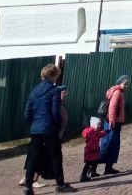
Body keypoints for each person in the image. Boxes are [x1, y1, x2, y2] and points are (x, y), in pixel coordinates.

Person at [22, 62, 73, 194]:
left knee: (33, 157)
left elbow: (27, 113)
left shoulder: (34, 92)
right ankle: (60, 184)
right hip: (49, 128)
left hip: (36, 129)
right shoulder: (54, 91)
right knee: (56, 156)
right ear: (53, 76)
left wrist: (33, 125)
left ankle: (28, 186)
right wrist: (57, 125)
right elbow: (55, 111)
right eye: (57, 75)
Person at [100, 75, 130, 175]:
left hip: (114, 122)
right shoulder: (117, 92)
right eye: (125, 84)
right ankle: (95, 166)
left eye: (127, 84)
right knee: (109, 144)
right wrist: (112, 121)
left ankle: (108, 167)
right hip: (113, 123)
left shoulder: (118, 92)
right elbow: (112, 107)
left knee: (111, 144)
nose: (126, 86)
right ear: (120, 82)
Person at [80, 117, 107, 183]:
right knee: (88, 163)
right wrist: (91, 130)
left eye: (100, 124)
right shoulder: (90, 131)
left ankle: (93, 172)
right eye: (98, 124)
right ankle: (83, 175)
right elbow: (85, 133)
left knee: (96, 161)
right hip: (89, 151)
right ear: (94, 125)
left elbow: (102, 134)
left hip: (95, 151)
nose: (99, 126)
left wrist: (107, 131)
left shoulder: (97, 133)